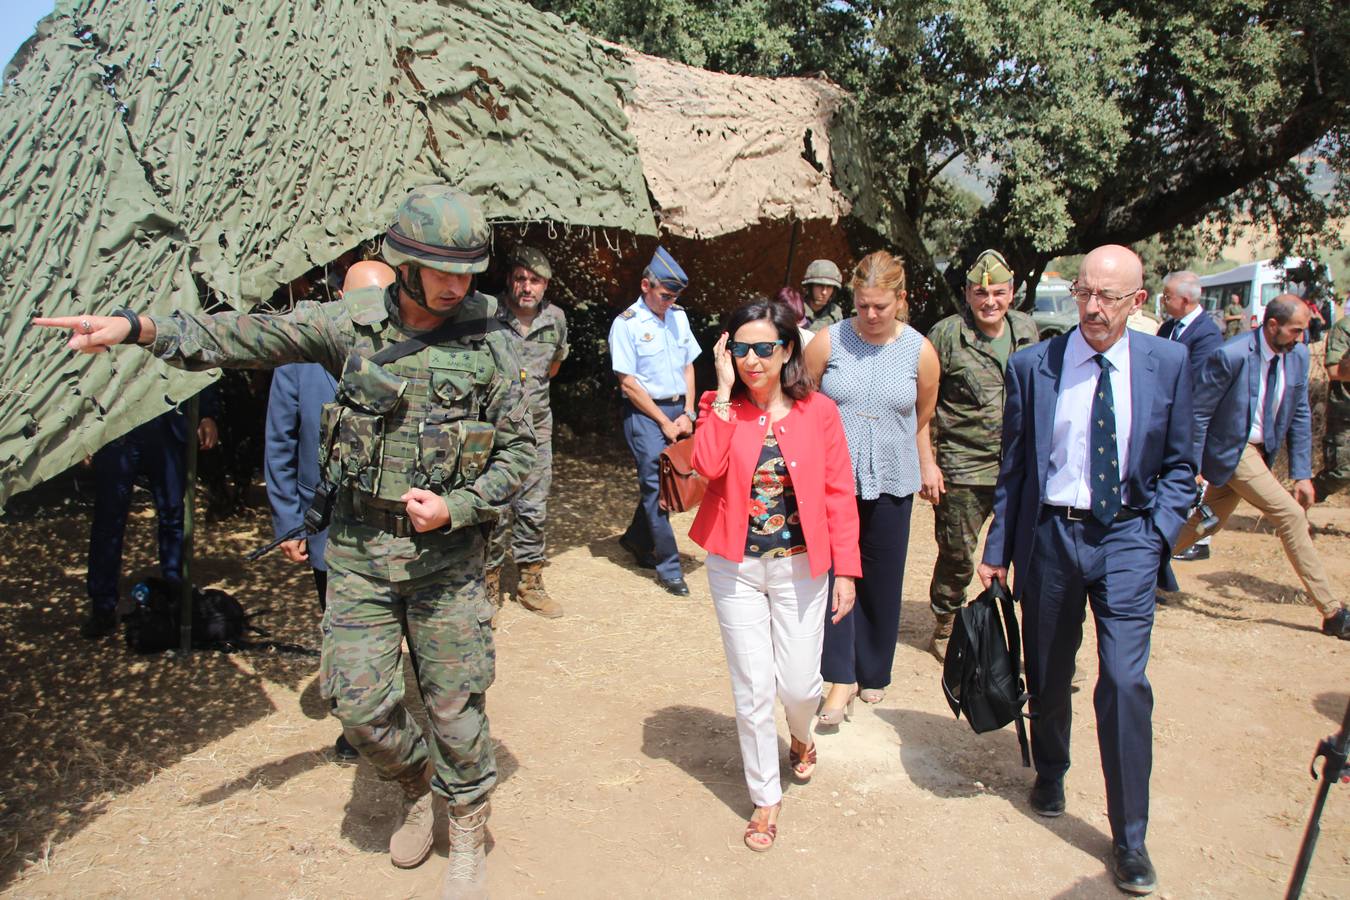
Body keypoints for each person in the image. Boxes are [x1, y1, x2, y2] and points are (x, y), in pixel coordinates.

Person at [36, 185, 536, 898]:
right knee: (357, 703)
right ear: (405, 264)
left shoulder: (494, 341)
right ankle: (421, 786)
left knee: (456, 707)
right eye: (442, 270)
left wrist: (457, 506)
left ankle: (467, 828)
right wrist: (140, 328)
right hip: (361, 552)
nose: (458, 285)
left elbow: (520, 457)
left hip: (447, 562)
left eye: (467, 271)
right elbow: (248, 335)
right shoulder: (353, 326)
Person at [976, 245, 1196, 896]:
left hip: (1128, 534)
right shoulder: (1033, 366)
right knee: (1046, 669)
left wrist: (1156, 535)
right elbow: (1014, 467)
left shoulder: (1169, 364)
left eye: (1109, 297)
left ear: (1138, 300)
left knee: (1125, 683)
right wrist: (996, 552)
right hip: (1050, 534)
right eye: (1084, 293)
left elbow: (1183, 465)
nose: (1094, 308)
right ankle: (1050, 766)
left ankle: (1130, 839)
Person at [688, 299, 860, 852]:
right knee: (753, 687)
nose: (752, 360)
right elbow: (707, 467)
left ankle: (802, 734)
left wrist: (847, 571)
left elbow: (838, 493)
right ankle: (765, 797)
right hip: (734, 568)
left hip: (802, 568)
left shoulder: (821, 413)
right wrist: (715, 387)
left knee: (799, 685)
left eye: (765, 348)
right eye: (741, 349)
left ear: (787, 350)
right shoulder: (720, 406)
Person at [264, 259, 394, 764]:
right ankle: (354, 725)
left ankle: (387, 711)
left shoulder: (405, 352)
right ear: (341, 299)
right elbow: (280, 443)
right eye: (361, 301)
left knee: (390, 620)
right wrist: (287, 523)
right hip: (325, 521)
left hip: (390, 518)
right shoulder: (299, 358)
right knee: (340, 623)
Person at [803, 250, 941, 722]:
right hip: (832, 482)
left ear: (901, 299)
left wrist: (917, 456)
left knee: (882, 580)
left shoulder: (920, 351)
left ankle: (874, 669)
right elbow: (803, 400)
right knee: (835, 574)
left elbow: (922, 412)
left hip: (891, 479)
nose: (871, 315)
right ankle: (840, 675)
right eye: (862, 305)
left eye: (881, 306)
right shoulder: (829, 341)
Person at [1169, 296, 1350, 640]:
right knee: (1291, 516)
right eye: (1296, 330)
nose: (1302, 337)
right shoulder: (1231, 354)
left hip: (1259, 453)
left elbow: (1298, 414)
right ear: (1272, 326)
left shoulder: (1295, 356)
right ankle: (1332, 612)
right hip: (1233, 452)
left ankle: (1131, 571)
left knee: (1203, 524)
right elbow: (1199, 413)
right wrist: (1190, 466)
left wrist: (1301, 473)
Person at [925, 249, 1038, 661]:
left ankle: (1023, 630)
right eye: (980, 292)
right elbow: (924, 401)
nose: (990, 301)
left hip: (1019, 466)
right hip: (963, 467)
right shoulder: (947, 335)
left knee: (1025, 552)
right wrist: (928, 461)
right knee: (957, 553)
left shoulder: (1026, 329)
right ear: (967, 295)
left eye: (999, 292)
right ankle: (947, 622)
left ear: (1012, 294)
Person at [82, 390, 218, 638]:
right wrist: (84, 433)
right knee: (108, 521)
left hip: (165, 423)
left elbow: (197, 356)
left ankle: (175, 595)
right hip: (115, 427)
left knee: (173, 515)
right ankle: (102, 607)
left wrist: (207, 413)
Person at [609, 246, 702, 596]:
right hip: (647, 415)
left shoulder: (678, 316)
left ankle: (635, 539)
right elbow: (628, 382)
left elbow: (688, 365)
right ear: (645, 284)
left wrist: (689, 413)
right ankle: (668, 566)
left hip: (680, 411)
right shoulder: (626, 325)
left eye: (674, 296)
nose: (669, 301)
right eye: (664, 295)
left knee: (675, 481)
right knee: (657, 487)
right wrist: (665, 421)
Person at [486, 246, 568, 620]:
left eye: (534, 280)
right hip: (493, 429)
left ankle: (530, 582)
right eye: (520, 278)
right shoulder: (488, 315)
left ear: (545, 285)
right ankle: (486, 584)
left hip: (537, 428)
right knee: (493, 508)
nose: (526, 286)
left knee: (533, 508)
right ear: (509, 280)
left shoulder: (556, 319)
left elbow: (552, 367)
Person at [1156, 270, 1225, 564]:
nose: (1163, 300)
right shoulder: (1168, 328)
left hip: (1188, 420)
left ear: (1184, 300)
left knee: (1192, 482)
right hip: (1165, 415)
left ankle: (1197, 540)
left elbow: (1197, 385)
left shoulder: (1207, 334)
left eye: (1167, 296)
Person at [1313, 309, 1350, 501]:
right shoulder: (1345, 328)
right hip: (1345, 415)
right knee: (1342, 472)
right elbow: (1335, 371)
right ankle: (1291, 508)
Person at [801, 259, 846, 333]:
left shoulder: (835, 314)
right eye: (819, 285)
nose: (824, 292)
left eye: (829, 287)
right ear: (810, 287)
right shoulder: (795, 310)